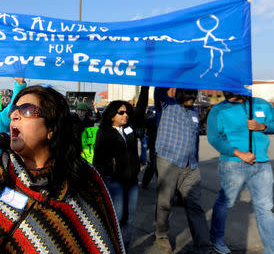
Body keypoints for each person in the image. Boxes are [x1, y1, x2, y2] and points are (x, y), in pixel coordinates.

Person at [0, 85, 125, 254]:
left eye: (27, 110)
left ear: (51, 128)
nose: (14, 115)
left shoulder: (84, 178)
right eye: (15, 109)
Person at [207, 92, 274, 254]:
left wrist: (262, 127)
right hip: (233, 164)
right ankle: (216, 239)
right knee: (225, 203)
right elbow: (214, 138)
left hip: (262, 164)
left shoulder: (262, 104)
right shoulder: (218, 110)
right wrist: (239, 153)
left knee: (265, 208)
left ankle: (271, 248)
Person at [154, 87, 210, 254]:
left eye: (193, 95)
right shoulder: (167, 106)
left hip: (190, 167)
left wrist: (195, 161)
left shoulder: (194, 113)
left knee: (195, 206)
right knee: (165, 203)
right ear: (180, 94)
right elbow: (159, 91)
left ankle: (203, 245)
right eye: (188, 95)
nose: (192, 98)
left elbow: (195, 141)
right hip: (168, 162)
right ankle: (162, 236)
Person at [93, 86, 148, 251]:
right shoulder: (104, 133)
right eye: (121, 113)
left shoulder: (130, 129)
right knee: (116, 216)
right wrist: (101, 179)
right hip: (114, 181)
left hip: (131, 181)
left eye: (126, 113)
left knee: (129, 217)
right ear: (112, 116)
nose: (125, 115)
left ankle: (125, 246)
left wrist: (144, 87)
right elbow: (98, 159)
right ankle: (110, 246)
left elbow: (139, 110)